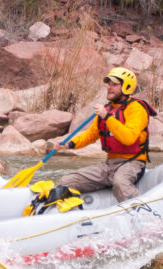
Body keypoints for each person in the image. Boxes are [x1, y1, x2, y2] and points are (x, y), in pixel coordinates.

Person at [54, 66, 156, 202]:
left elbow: (129, 138)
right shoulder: (107, 109)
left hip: (133, 162)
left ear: (126, 87)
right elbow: (91, 135)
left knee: (120, 183)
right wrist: (70, 144)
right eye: (109, 84)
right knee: (67, 181)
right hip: (109, 164)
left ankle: (140, 211)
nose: (109, 87)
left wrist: (107, 116)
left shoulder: (136, 109)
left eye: (114, 84)